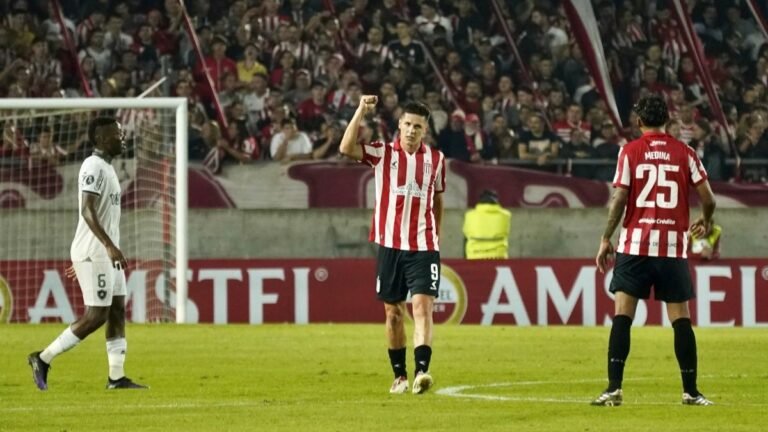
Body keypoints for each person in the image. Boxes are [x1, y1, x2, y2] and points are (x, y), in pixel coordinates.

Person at [592, 94, 715, 406]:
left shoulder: (629, 151)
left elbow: (619, 198)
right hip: (672, 248)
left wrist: (607, 237)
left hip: (636, 245)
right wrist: (706, 221)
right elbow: (709, 199)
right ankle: (691, 391)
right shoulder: (685, 152)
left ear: (638, 122)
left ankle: (614, 388)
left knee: (623, 316)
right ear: (668, 122)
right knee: (680, 319)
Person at [27, 117, 147, 390]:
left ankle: (116, 378)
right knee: (97, 315)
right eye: (117, 134)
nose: (123, 137)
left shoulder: (107, 167)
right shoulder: (92, 166)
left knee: (116, 311)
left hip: (101, 254)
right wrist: (106, 246)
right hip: (97, 252)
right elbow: (87, 210)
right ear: (103, 138)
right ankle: (43, 358)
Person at [339, 97, 446, 395]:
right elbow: (346, 148)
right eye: (408, 124)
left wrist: (436, 234)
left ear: (425, 131)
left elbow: (437, 199)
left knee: (423, 307)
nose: (412, 131)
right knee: (393, 314)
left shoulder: (436, 160)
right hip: (389, 245)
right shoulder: (382, 153)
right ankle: (399, 375)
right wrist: (360, 110)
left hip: (424, 245)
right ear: (399, 125)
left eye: (418, 126)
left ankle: (422, 371)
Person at [462, 190, 511, 259]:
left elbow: (466, 237)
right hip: (498, 256)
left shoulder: (469, 215)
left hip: (474, 256)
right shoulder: (505, 215)